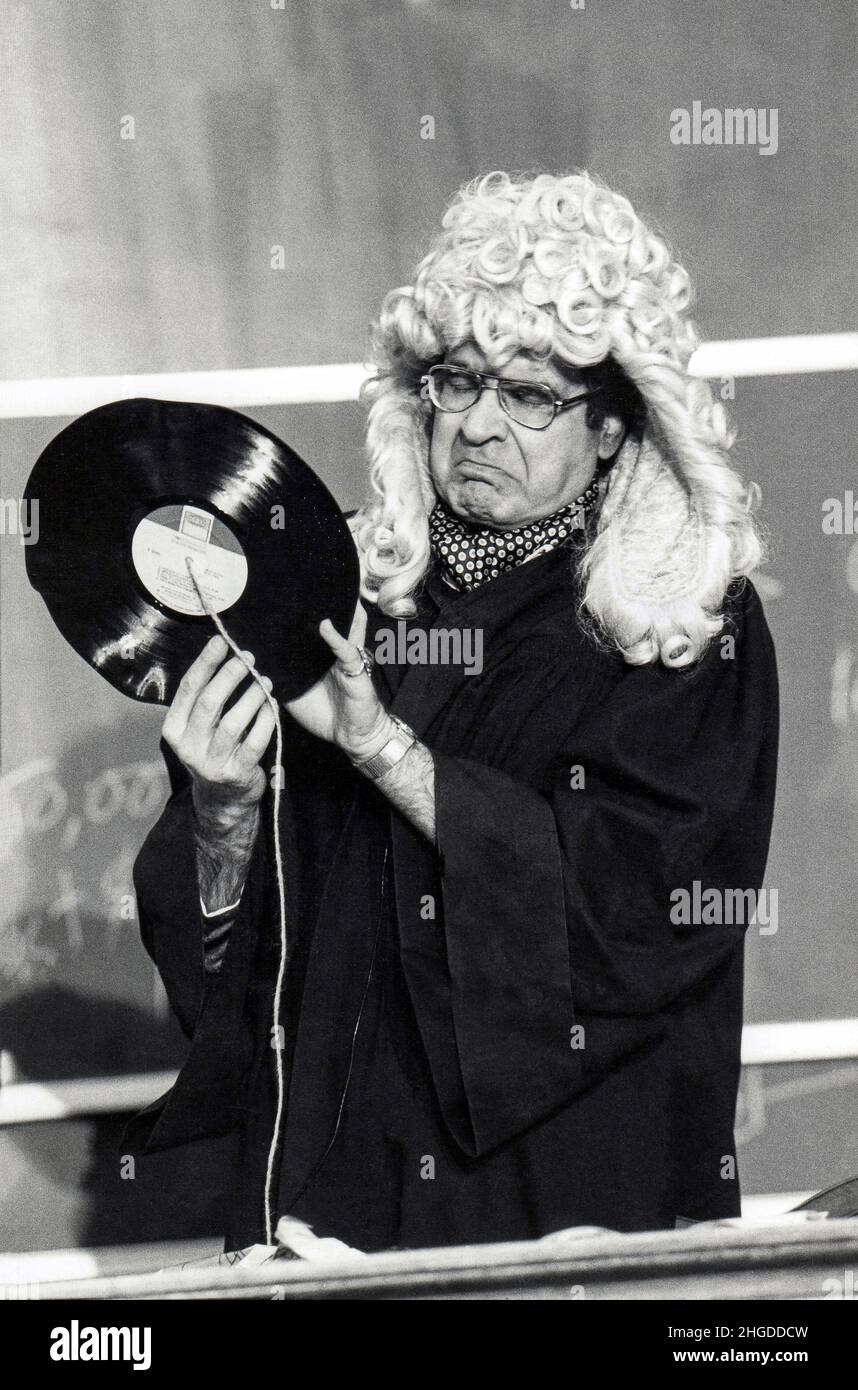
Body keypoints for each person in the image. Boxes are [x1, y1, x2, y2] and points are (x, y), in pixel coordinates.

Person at [124, 170, 779, 1253]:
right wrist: (223, 817)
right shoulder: (339, 600)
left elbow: (639, 918)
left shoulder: (681, 622)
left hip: (561, 1215)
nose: (475, 425)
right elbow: (242, 990)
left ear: (616, 425)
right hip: (322, 1214)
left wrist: (383, 747)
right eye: (454, 383)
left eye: (527, 395)